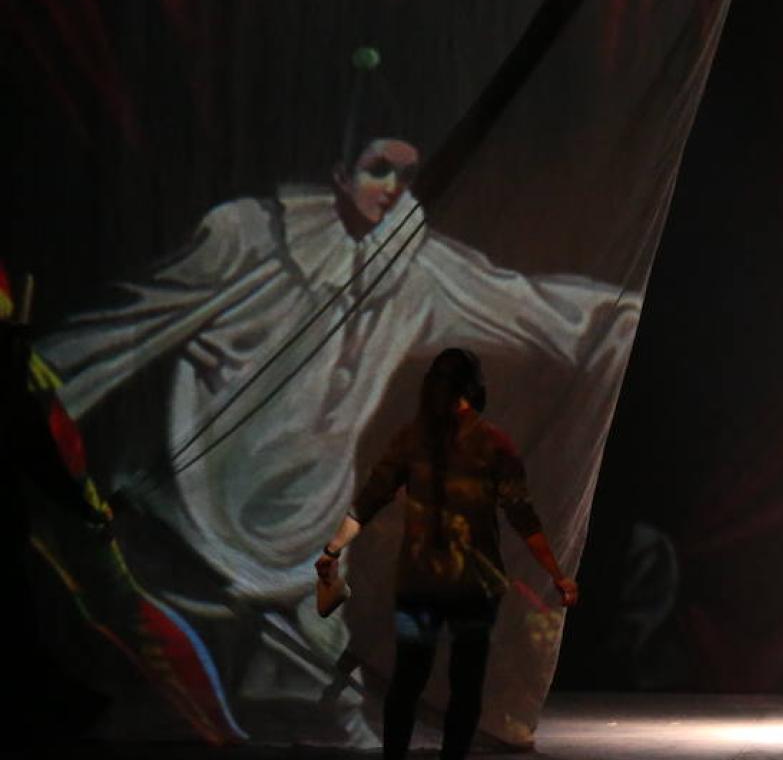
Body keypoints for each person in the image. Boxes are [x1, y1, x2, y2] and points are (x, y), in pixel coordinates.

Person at [38, 130, 639, 744]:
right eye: (378, 168)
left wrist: (626, 318)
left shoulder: (416, 267)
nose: (392, 187)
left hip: (304, 533)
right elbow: (132, 322)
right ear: (338, 172)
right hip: (193, 519)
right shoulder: (248, 239)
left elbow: (526, 305)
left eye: (406, 174)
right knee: (168, 694)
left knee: (324, 701)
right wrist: (35, 391)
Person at [315, 348, 577, 760]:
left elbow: (369, 501)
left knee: (413, 679)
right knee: (459, 682)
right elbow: (523, 518)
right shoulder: (487, 444)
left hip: (429, 583)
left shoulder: (418, 440)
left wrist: (333, 548)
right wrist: (557, 574)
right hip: (468, 585)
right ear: (473, 391)